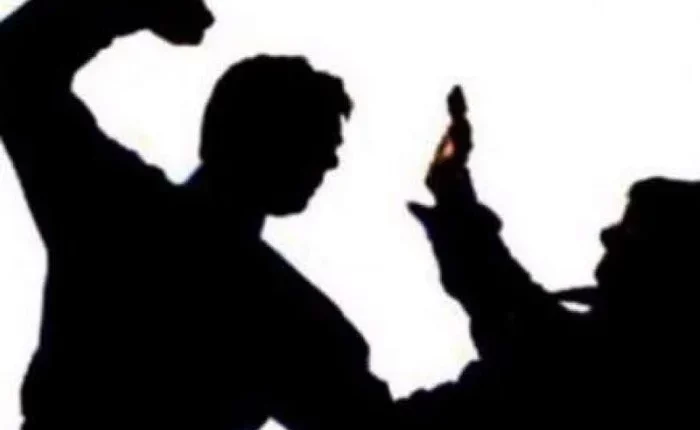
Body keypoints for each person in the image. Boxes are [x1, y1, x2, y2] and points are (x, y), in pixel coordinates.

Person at [0, 1, 513, 429]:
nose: (331, 161)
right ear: (254, 133)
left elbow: (17, 65)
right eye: (317, 140)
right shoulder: (284, 312)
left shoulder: (116, 208)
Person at [410, 86, 700, 425]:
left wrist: (453, 196)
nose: (607, 235)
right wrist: (453, 194)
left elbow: (519, 311)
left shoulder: (606, 362)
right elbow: (513, 302)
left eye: (634, 228)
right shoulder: (606, 347)